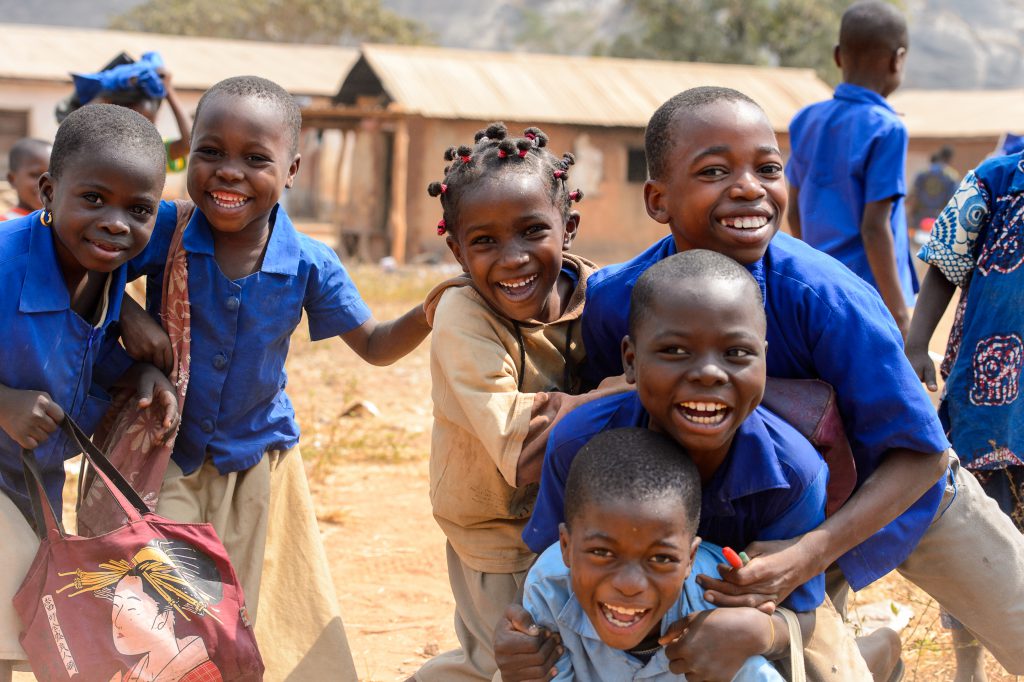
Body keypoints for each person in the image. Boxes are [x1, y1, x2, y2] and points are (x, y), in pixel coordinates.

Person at [499, 85, 1024, 680]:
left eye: (768, 168)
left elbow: (921, 457)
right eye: (715, 170)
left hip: (900, 495)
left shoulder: (826, 298)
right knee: (808, 658)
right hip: (759, 512)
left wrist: (810, 553)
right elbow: (622, 446)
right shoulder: (620, 301)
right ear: (657, 198)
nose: (749, 186)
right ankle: (868, 657)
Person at [117, 75, 431, 681]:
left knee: (243, 608)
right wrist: (129, 313)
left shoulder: (311, 262)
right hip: (167, 454)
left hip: (256, 465)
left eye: (256, 158)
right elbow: (93, 269)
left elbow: (373, 346)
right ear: (189, 155)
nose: (228, 172)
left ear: (291, 168)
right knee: (169, 603)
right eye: (210, 152)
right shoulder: (163, 230)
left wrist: (428, 312)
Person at [518, 250, 881, 682]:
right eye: (674, 350)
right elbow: (552, 572)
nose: (709, 373)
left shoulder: (793, 474)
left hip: (744, 623)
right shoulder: (578, 443)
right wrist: (524, 646)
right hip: (614, 626)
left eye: (736, 353)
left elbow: (801, 614)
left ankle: (877, 651)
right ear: (630, 361)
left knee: (825, 669)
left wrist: (762, 631)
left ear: (764, 359)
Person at [414, 122, 612, 682]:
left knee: (570, 653)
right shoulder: (465, 316)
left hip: (575, 523)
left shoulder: (601, 295)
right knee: (516, 658)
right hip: (496, 531)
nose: (513, 258)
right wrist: (611, 395)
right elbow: (522, 456)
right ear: (456, 249)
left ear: (568, 229)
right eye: (484, 242)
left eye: (532, 232)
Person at [0, 104, 178, 682]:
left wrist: (139, 374)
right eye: (94, 199)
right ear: (48, 192)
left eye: (139, 209)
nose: (116, 222)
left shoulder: (102, 267)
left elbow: (79, 354)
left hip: (32, 480)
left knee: (23, 626)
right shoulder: (5, 261)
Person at [526, 427, 784, 681]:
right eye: (602, 552)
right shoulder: (549, 590)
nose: (629, 586)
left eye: (661, 558)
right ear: (566, 547)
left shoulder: (720, 611)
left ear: (690, 560)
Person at [906, 151, 1024, 682]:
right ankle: (968, 664)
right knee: (979, 531)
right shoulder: (997, 179)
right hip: (990, 396)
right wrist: (915, 342)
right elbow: (945, 264)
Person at [786, 1, 917, 338]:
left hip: (817, 287)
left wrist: (813, 269)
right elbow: (874, 228)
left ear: (837, 56)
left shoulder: (805, 120)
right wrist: (900, 315)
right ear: (897, 59)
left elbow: (796, 212)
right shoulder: (887, 129)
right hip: (868, 297)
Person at [58, 541, 226, 682]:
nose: (116, 621)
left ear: (164, 617)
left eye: (130, 610)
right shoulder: (130, 674)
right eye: (116, 608)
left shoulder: (200, 673)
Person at [58, 51, 191, 173]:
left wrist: (169, 91)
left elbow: (188, 143)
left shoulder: (151, 151)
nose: (138, 128)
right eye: (131, 119)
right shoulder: (95, 146)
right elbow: (72, 126)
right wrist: (103, 97)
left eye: (148, 122)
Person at [906, 146, 959, 237]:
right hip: (940, 217)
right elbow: (954, 200)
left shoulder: (922, 174)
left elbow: (913, 195)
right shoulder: (952, 176)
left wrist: (910, 213)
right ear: (949, 159)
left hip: (920, 216)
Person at [3, 138, 51, 220]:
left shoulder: (61, 223)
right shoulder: (4, 225)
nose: (46, 183)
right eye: (36, 175)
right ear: (12, 179)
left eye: (52, 175)